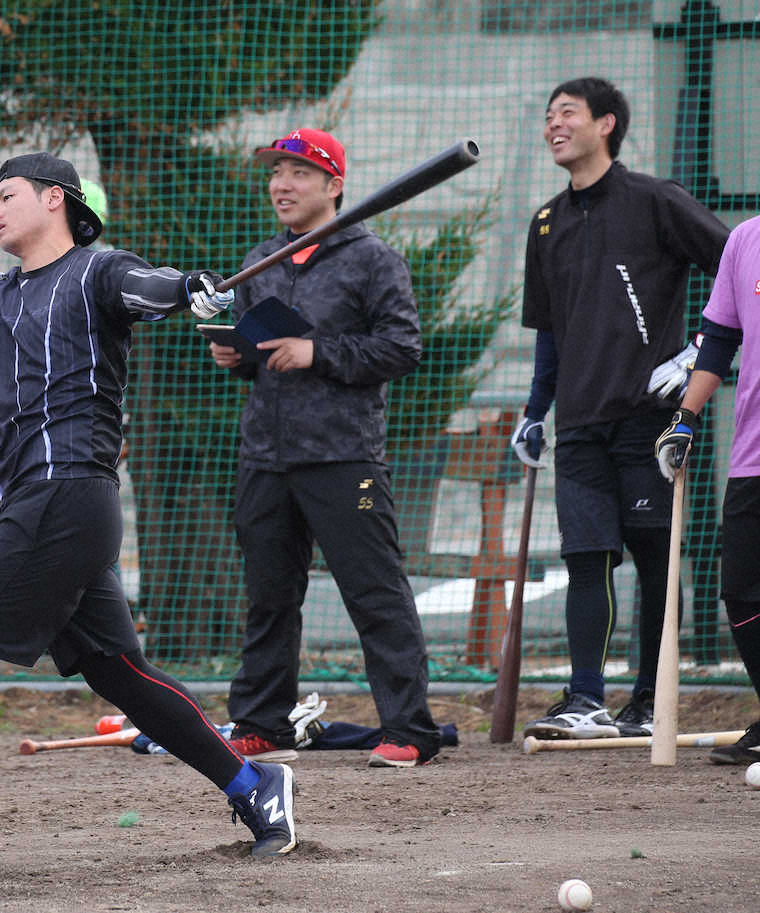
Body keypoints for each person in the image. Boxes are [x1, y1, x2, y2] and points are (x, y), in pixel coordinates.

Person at [0, 152, 297, 869]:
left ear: (54, 198)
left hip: (67, 494)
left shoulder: (99, 271)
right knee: (119, 674)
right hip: (47, 503)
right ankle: (254, 785)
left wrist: (189, 288)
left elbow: (148, 289)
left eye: (7, 194)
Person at [206, 128, 441, 768]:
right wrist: (236, 355)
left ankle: (409, 731)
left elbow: (402, 347)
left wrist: (319, 352)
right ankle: (261, 721)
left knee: (376, 594)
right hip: (266, 456)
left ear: (334, 186)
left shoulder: (372, 259)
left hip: (343, 456)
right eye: (276, 172)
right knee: (268, 597)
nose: (282, 184)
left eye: (299, 173)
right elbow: (262, 359)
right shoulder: (261, 261)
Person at [511, 77, 730, 740]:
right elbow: (548, 328)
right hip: (579, 423)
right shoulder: (546, 222)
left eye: (567, 113)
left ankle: (646, 701)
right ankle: (586, 699)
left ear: (606, 123)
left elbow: (738, 264)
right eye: (548, 115)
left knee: (655, 557)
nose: (553, 124)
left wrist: (697, 350)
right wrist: (534, 409)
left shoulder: (655, 200)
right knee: (585, 555)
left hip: (651, 416)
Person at [655, 143, 760, 764]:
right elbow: (719, 341)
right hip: (755, 452)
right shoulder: (746, 240)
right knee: (743, 590)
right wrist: (685, 418)